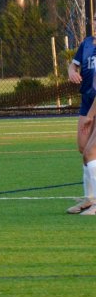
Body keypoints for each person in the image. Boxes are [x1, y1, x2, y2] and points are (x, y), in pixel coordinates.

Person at [67, 37, 96, 215]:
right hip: (89, 100)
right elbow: (73, 65)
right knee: (84, 148)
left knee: (92, 152)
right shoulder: (87, 43)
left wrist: (91, 116)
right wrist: (72, 71)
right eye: (95, 18)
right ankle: (90, 198)